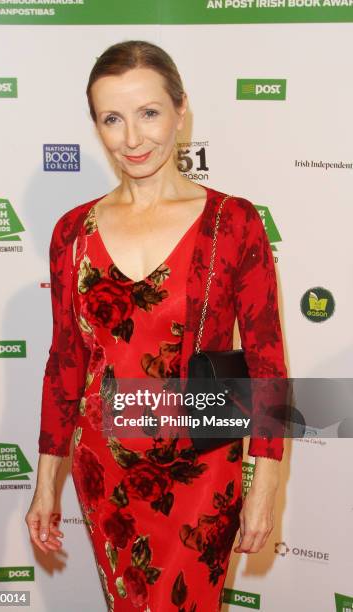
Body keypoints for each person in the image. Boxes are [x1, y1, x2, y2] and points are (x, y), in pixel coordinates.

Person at [25, 40, 288, 612]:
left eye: (149, 113)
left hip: (204, 470)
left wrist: (264, 483)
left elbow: (267, 361)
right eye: (112, 119)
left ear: (180, 109)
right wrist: (45, 480)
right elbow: (65, 363)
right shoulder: (72, 231)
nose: (133, 138)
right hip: (104, 467)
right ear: (96, 124)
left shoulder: (235, 221)